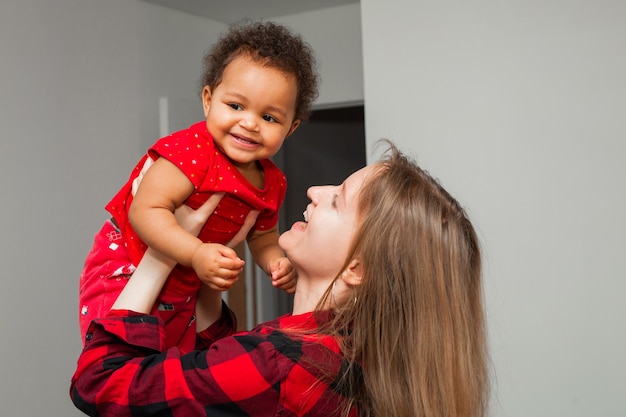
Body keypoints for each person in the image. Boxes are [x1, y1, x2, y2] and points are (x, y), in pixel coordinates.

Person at [71, 142, 490, 417]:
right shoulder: (352, 360)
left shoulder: (279, 365)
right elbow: (204, 380)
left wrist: (160, 252)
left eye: (337, 200)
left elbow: (100, 385)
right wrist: (201, 258)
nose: (314, 191)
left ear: (357, 269)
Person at [78, 21, 319, 353]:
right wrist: (196, 252)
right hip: (127, 264)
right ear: (208, 100)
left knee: (162, 370)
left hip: (185, 284)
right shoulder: (193, 151)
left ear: (290, 129)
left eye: (269, 118)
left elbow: (262, 235)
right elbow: (145, 211)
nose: (249, 123)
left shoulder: (273, 181)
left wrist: (276, 261)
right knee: (115, 355)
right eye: (235, 106)